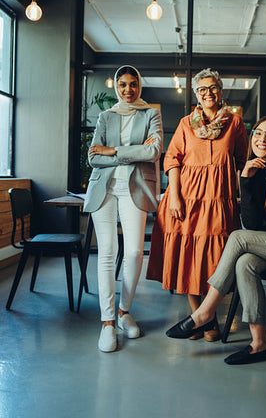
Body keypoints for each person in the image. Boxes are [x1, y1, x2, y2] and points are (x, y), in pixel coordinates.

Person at [165, 115, 266, 365]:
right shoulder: (258, 171)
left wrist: (259, 237)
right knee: (245, 263)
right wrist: (245, 178)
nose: (262, 139)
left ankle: (205, 312)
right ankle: (259, 343)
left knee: (238, 238)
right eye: (257, 133)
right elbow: (253, 224)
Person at [146, 68, 248, 341]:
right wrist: (175, 195)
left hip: (219, 200)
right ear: (196, 95)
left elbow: (241, 161)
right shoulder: (185, 123)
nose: (208, 93)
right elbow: (172, 160)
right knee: (187, 258)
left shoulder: (235, 123)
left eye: (212, 87)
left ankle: (204, 316)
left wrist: (241, 194)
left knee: (216, 260)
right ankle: (203, 320)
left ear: (221, 91)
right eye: (202, 89)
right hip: (187, 198)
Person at [84, 65, 163, 352]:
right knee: (107, 252)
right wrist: (132, 153)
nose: (128, 89)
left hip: (136, 187)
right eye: (122, 85)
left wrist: (114, 151)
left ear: (140, 85)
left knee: (132, 252)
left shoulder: (151, 114)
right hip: (104, 188)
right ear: (116, 87)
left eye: (133, 84)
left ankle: (123, 312)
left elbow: (153, 152)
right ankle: (107, 322)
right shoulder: (106, 116)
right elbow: (94, 157)